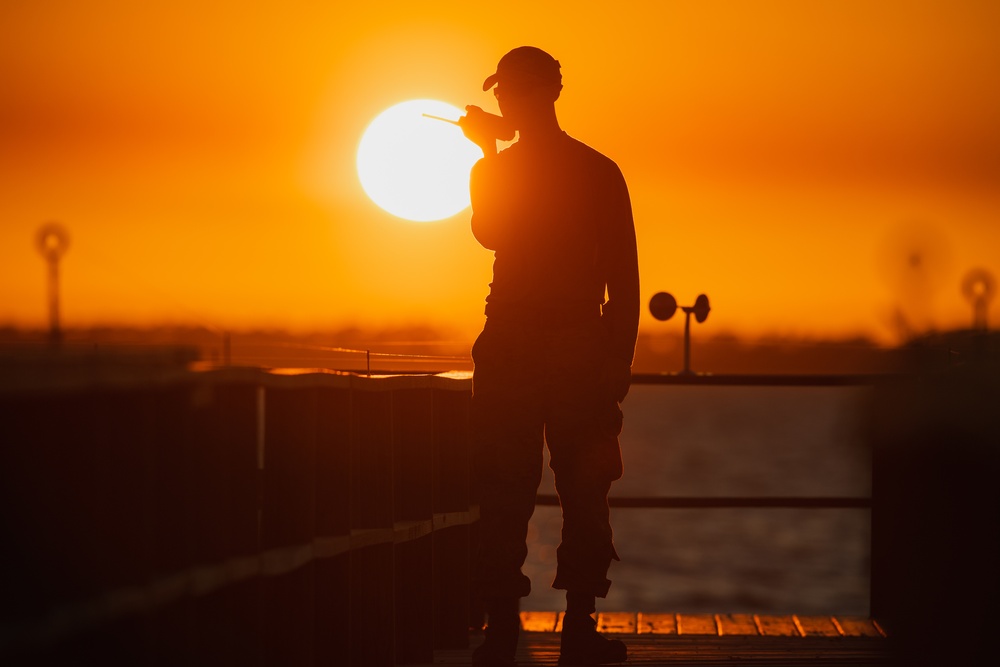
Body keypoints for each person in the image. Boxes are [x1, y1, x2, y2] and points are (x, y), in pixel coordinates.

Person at [460, 46, 640, 666]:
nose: (509, 102)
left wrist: (489, 154)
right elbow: (626, 279)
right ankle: (578, 630)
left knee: (507, 487)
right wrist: (618, 357)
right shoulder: (599, 171)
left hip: (519, 345)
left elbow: (490, 232)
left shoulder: (500, 168)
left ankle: (502, 630)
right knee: (584, 489)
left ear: (517, 98)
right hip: (572, 348)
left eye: (512, 93)